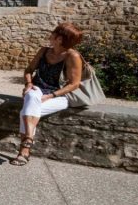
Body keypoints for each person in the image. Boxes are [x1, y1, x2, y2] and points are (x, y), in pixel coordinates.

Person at [10, 22, 85, 166]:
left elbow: (74, 84)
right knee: (31, 96)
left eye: (54, 33)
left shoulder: (72, 56)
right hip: (37, 90)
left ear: (59, 39)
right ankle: (26, 147)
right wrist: (28, 84)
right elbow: (28, 70)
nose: (50, 35)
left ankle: (25, 147)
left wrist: (51, 96)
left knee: (26, 110)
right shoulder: (44, 51)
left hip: (59, 95)